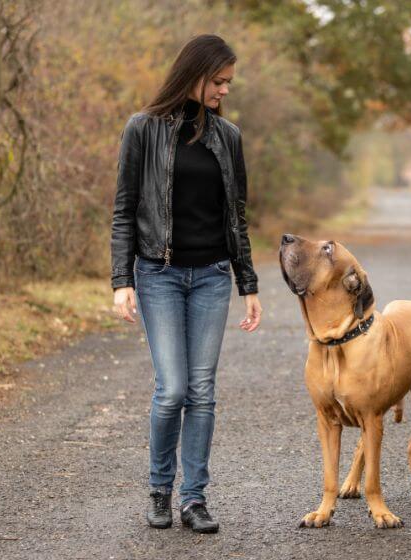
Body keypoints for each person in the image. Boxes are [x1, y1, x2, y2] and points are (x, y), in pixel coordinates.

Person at [110, 34, 262, 533]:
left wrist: (248, 283)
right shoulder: (143, 129)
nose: (223, 91)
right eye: (218, 81)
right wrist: (121, 280)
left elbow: (236, 216)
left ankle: (193, 499)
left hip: (213, 276)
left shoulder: (229, 136)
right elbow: (124, 209)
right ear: (193, 74)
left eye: (228, 83)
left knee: (202, 391)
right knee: (172, 388)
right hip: (158, 274)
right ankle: (159, 488)